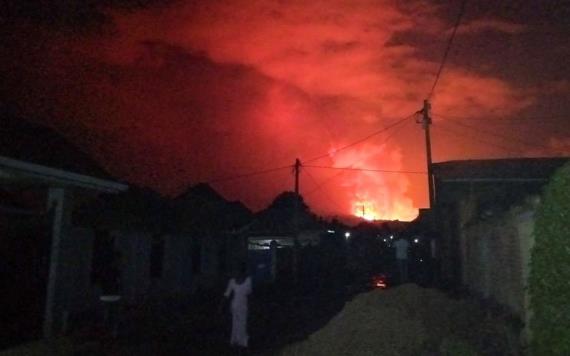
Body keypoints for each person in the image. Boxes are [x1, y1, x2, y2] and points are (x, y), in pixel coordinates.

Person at [223, 263, 252, 352]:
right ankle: (239, 341)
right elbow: (249, 292)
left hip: (239, 304)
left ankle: (238, 341)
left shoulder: (243, 280)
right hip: (239, 304)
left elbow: (227, 294)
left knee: (239, 323)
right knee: (239, 323)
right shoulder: (243, 280)